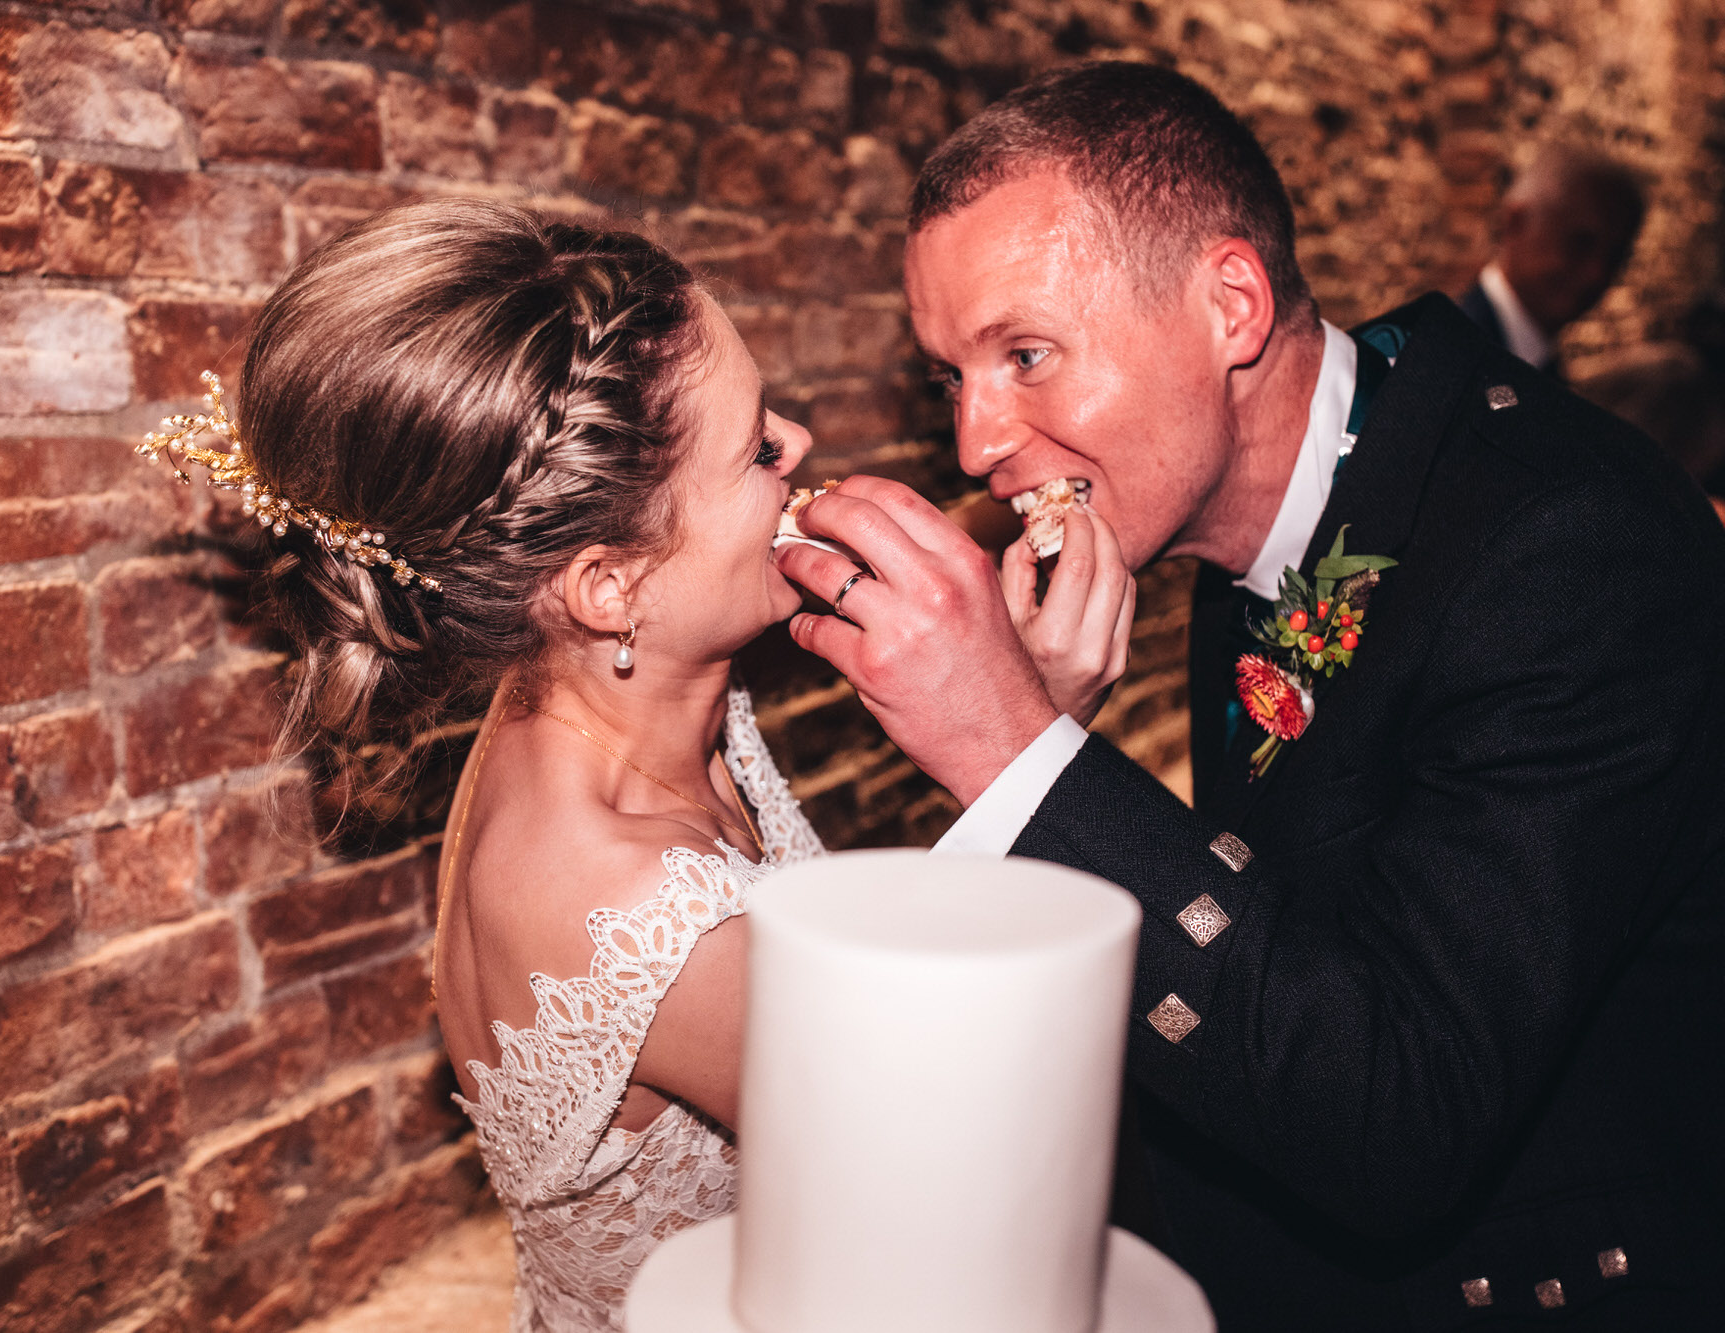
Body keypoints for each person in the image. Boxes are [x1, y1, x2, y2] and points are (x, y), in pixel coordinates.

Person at [778, 63, 1725, 1330]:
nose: (974, 440)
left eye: (1025, 352)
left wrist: (1016, 750)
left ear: (1228, 305)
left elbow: (1400, 1115)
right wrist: (1045, 733)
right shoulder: (1252, 515)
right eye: (955, 375)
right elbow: (1282, 917)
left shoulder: (1565, 542)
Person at [144, 200, 828, 1332]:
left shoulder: (560, 702)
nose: (796, 443)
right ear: (608, 587)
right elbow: (953, 1181)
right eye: (756, 447)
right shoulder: (655, 920)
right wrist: (1025, 733)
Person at [1457, 144, 1646, 378]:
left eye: (1615, 257)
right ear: (1515, 221)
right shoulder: (1452, 357)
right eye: (1580, 243)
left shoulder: (1538, 361)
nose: (1597, 273)